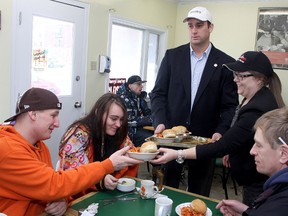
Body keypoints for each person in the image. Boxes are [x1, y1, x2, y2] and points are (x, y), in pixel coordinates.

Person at [151, 51, 285, 205]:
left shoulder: (257, 108)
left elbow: (222, 146)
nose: (235, 79)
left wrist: (177, 154)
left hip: (257, 182)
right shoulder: (253, 98)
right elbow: (239, 137)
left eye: (241, 76)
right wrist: (232, 149)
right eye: (235, 74)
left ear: (260, 79)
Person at [0, 88, 143, 216]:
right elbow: (55, 184)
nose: (57, 124)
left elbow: (50, 187)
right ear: (32, 114)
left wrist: (63, 200)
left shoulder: (40, 146)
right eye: (53, 115)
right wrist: (108, 165)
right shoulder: (8, 149)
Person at [150, 6, 238, 196]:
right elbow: (157, 93)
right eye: (190, 26)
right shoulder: (173, 56)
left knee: (199, 193)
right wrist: (160, 122)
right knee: (164, 191)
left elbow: (230, 106)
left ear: (210, 27)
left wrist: (221, 131)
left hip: (204, 141)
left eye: (199, 25)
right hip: (170, 138)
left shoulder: (225, 64)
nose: (194, 30)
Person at [58, 92, 139, 200]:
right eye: (113, 119)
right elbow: (73, 174)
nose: (118, 124)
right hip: (83, 198)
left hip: (110, 194)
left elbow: (131, 153)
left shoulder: (118, 131)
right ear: (98, 113)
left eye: (121, 119)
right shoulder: (78, 134)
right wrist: (101, 180)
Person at [216, 107, 288, 216]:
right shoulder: (279, 192)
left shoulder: (280, 204)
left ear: (283, 154)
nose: (252, 151)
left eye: (259, 145)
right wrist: (247, 212)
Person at [117, 75, 153, 147]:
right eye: (138, 84)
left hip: (141, 128)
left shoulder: (139, 97)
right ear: (130, 85)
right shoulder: (123, 99)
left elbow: (148, 112)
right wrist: (150, 119)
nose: (141, 86)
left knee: (158, 136)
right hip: (130, 132)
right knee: (153, 140)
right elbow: (130, 120)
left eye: (141, 84)